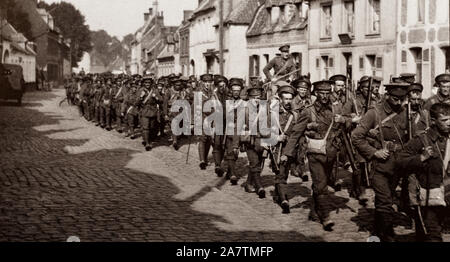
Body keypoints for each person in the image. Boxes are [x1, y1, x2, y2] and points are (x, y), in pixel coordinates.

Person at [283, 80, 351, 231]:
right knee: (321, 186)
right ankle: (325, 216)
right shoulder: (308, 111)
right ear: (316, 94)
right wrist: (286, 154)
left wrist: (344, 120)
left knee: (323, 183)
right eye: (322, 93)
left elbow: (349, 122)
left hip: (332, 154)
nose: (325, 96)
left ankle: (314, 211)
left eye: (328, 93)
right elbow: (296, 133)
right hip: (315, 154)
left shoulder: (336, 108)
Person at [352, 83, 410, 242]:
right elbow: (356, 137)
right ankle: (387, 236)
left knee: (386, 198)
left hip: (399, 164)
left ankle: (377, 231)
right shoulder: (374, 113)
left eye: (402, 99)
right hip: (380, 165)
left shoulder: (407, 113)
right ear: (387, 95)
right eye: (395, 99)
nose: (398, 103)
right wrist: (374, 152)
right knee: (385, 200)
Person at [397, 103, 450, 242]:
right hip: (426, 197)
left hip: (447, 195)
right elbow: (400, 161)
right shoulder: (421, 140)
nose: (449, 123)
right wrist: (421, 158)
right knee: (431, 235)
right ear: (433, 121)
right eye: (444, 120)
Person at [273, 83, 298, 214]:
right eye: (286, 99)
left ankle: (278, 194)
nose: (288, 101)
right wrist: (276, 138)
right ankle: (284, 201)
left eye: (290, 99)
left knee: (284, 173)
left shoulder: (295, 115)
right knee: (280, 173)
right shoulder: (273, 114)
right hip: (275, 150)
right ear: (280, 99)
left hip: (289, 149)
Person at [222, 78, 244, 185]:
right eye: (234, 90)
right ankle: (233, 174)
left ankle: (229, 172)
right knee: (230, 151)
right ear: (231, 90)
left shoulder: (243, 103)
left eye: (238, 90)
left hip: (239, 130)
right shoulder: (226, 102)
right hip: (228, 129)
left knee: (235, 152)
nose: (236, 92)